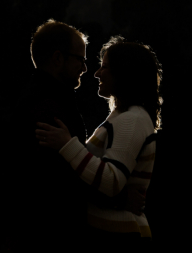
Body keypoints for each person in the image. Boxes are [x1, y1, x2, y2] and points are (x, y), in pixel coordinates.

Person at [5, 22, 144, 252]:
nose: (85, 68)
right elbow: (59, 181)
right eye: (80, 59)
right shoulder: (45, 109)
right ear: (58, 58)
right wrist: (120, 200)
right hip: (48, 238)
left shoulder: (49, 100)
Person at [35, 35, 163, 246]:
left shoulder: (132, 119)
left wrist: (67, 145)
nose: (96, 73)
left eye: (104, 67)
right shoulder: (124, 116)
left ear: (123, 73)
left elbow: (111, 181)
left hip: (116, 235)